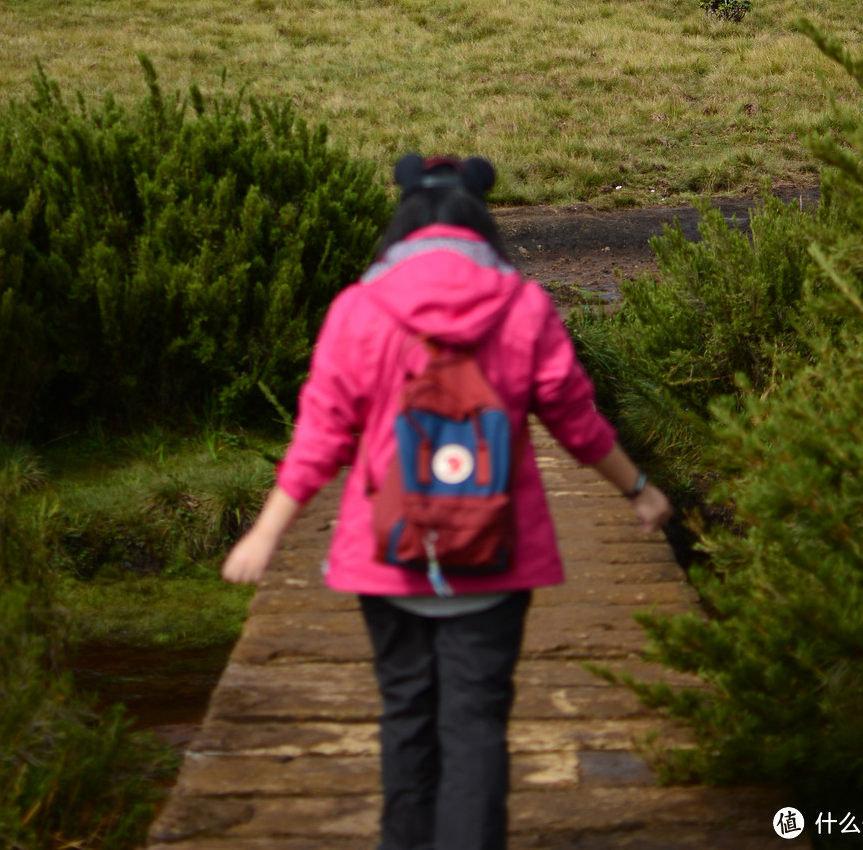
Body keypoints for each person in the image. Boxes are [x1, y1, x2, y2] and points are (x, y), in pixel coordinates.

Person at [223, 154, 673, 850]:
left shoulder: (358, 309)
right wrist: (638, 490)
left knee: (405, 718)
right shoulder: (523, 306)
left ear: (398, 229)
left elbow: (320, 435)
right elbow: (574, 419)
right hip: (496, 560)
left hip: (388, 557)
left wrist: (266, 533)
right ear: (480, 224)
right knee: (475, 726)